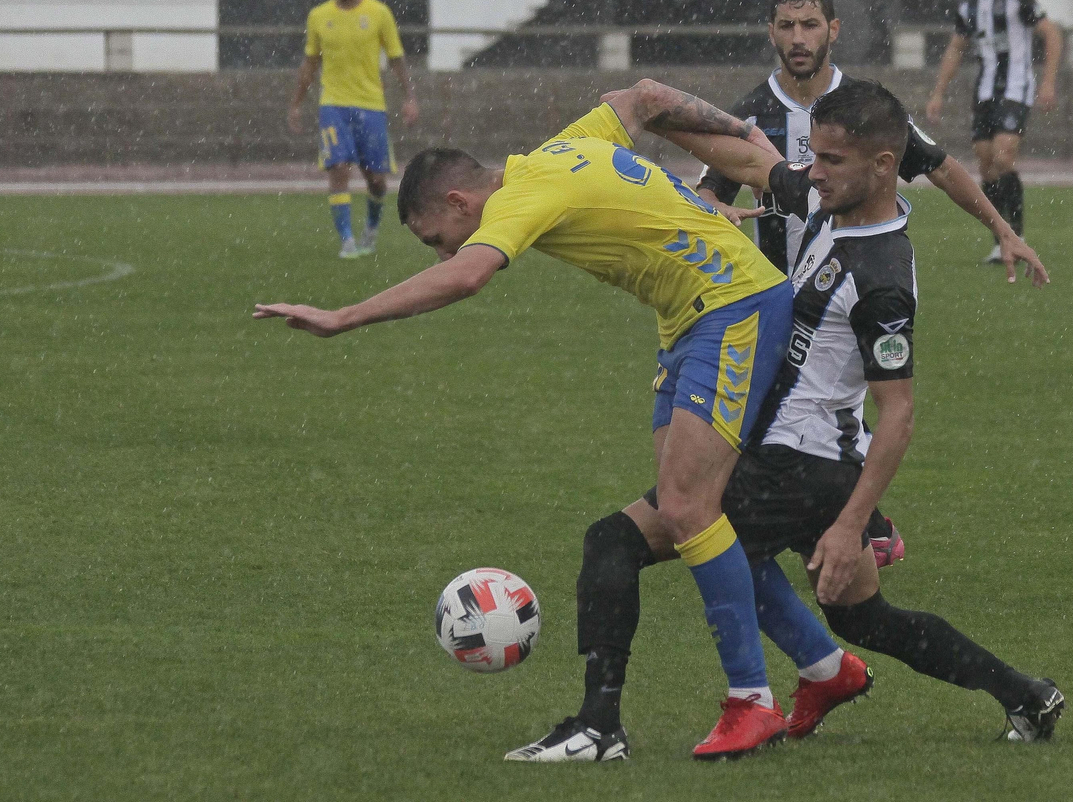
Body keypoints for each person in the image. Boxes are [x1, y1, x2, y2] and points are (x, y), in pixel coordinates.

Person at [506, 80, 1064, 764]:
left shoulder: (882, 275)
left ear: (883, 167)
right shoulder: (830, 202)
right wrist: (648, 123)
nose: (813, 171)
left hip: (798, 467)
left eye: (830, 160)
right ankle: (1024, 693)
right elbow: (753, 163)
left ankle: (605, 723)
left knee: (620, 541)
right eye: (816, 157)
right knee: (866, 616)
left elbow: (899, 414)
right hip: (801, 462)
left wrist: (852, 522)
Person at [255, 81, 805, 760]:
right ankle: (823, 666)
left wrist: (342, 316)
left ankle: (752, 701)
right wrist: (754, 145)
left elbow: (467, 278)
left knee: (690, 507)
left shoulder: (519, 195)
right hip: (687, 323)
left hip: (733, 304)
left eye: (437, 238)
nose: (443, 253)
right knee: (680, 511)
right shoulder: (562, 148)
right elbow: (644, 96)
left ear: (460, 203)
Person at [697, 0, 1050, 566]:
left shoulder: (866, 110)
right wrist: (716, 212)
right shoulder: (752, 113)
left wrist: (1003, 229)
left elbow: (938, 168)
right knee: (787, 421)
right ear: (771, 33)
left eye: (810, 25)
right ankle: (850, 529)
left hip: (846, 292)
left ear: (834, 29)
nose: (798, 38)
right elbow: (708, 190)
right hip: (775, 300)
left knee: (793, 420)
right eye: (786, 26)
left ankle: (818, 533)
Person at [926, 0, 1064, 264]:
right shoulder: (968, 5)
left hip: (1016, 86)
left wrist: (1048, 81)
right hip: (984, 90)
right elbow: (957, 48)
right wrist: (938, 92)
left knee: (1003, 158)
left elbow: (1052, 34)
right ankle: (998, 240)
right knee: (986, 166)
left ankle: (1017, 233)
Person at [286, 0, 420, 259]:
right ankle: (346, 240)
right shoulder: (319, 16)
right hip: (333, 104)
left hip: (370, 105)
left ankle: (371, 229)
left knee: (375, 179)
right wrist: (296, 103)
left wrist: (410, 97)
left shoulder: (378, 13)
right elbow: (309, 63)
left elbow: (397, 59)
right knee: (338, 168)